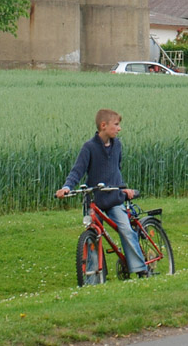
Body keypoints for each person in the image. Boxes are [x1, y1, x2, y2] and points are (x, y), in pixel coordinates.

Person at [55, 109, 149, 277]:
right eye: (116, 125)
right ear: (103, 126)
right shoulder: (89, 147)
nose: (119, 129)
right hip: (95, 199)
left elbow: (116, 170)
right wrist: (67, 187)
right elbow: (77, 171)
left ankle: (141, 269)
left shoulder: (118, 145)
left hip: (114, 198)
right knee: (93, 234)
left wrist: (122, 188)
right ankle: (93, 276)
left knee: (126, 230)